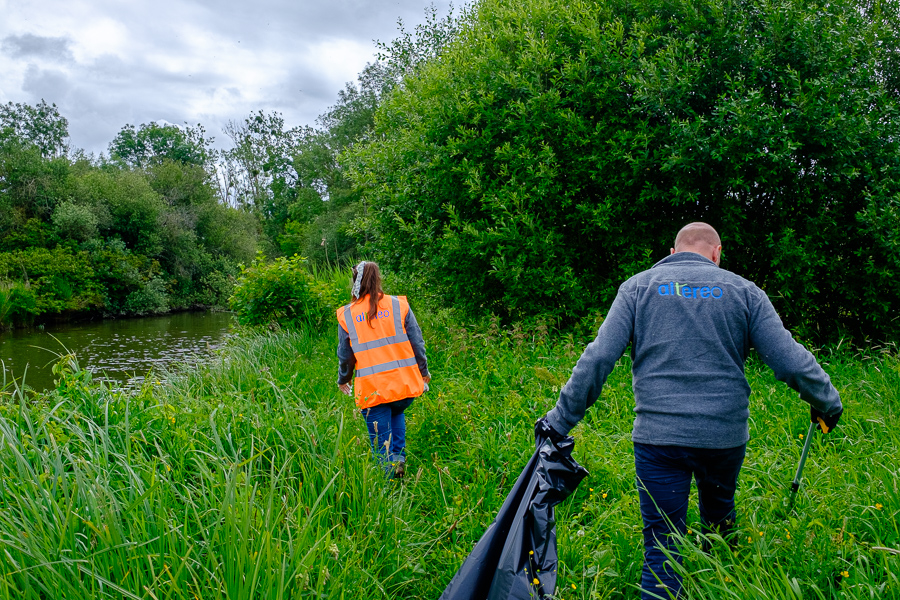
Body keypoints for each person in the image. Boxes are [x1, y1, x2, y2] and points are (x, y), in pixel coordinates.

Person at [535, 222, 843, 599]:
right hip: (723, 438)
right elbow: (789, 361)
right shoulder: (745, 292)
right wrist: (827, 402)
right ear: (717, 253)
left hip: (658, 441)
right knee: (718, 522)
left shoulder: (638, 287)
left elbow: (598, 357)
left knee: (663, 550)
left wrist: (559, 420)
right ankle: (722, 582)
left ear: (672, 253)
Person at [337, 260, 431, 478]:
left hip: (373, 390)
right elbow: (418, 344)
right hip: (403, 387)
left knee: (381, 449)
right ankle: (398, 465)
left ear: (355, 281)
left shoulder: (348, 314)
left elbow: (345, 355)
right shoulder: (398, 305)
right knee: (396, 412)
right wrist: (423, 372)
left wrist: (344, 379)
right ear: (378, 278)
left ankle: (388, 495)